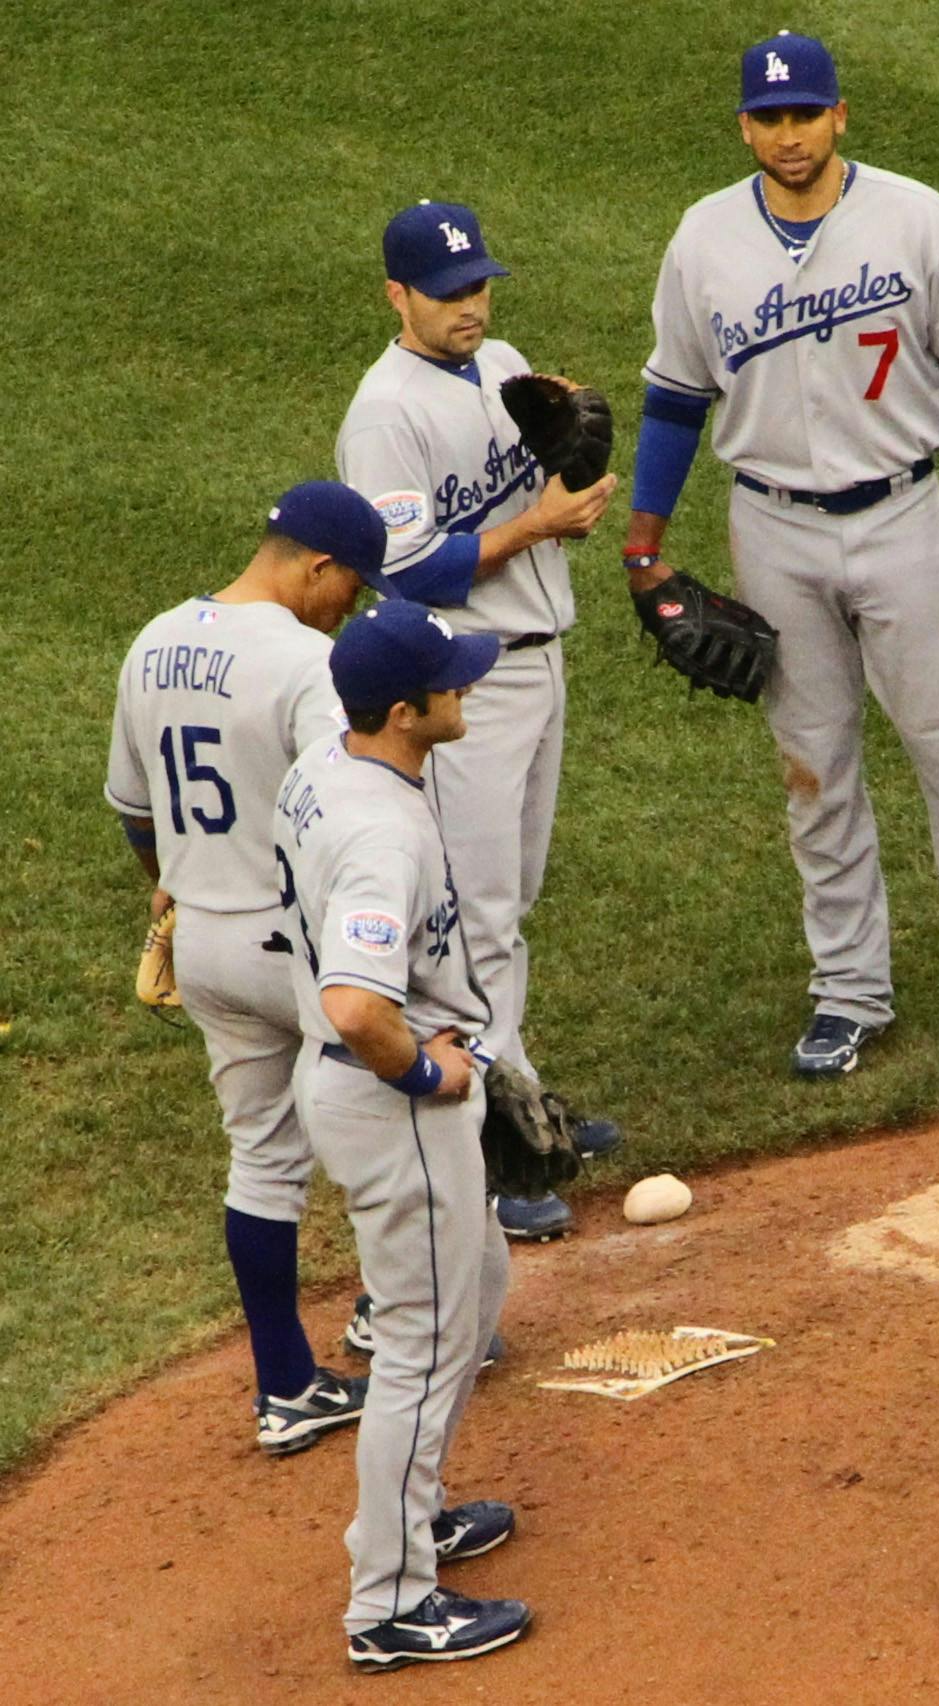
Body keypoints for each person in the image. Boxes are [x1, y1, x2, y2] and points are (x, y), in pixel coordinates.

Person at [624, 31, 939, 1077]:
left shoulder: (916, 218)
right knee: (814, 771)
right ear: (745, 125)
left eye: (805, 115)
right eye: (769, 118)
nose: (788, 135)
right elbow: (675, 399)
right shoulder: (702, 239)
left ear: (839, 116)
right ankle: (849, 993)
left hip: (904, 519)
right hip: (770, 524)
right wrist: (644, 541)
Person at [336, 197, 620, 1242]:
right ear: (396, 295)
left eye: (480, 283)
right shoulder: (385, 411)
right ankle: (494, 1148)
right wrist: (535, 522)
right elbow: (400, 563)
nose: (471, 304)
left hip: (539, 660)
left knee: (513, 894)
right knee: (476, 910)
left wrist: (574, 490)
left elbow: (550, 475)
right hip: (465, 687)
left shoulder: (502, 358)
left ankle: (520, 1091)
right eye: (449, 291)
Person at [104, 481, 384, 1455]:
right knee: (395, 1126)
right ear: (315, 564)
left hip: (208, 943)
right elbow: (346, 810)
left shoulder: (152, 641)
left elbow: (136, 811)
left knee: (263, 1156)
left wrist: (169, 888)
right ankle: (399, 1320)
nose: (352, 604)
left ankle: (286, 1388)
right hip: (299, 944)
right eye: (352, 584)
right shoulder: (311, 662)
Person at [275, 598, 528, 1669]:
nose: (462, 683)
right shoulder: (381, 831)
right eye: (446, 678)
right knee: (423, 1349)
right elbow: (356, 1004)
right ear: (399, 709)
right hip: (392, 1105)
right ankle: (389, 1605)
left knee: (480, 1287)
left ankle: (408, 1523)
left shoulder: (327, 762)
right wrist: (432, 1069)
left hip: (356, 1092)